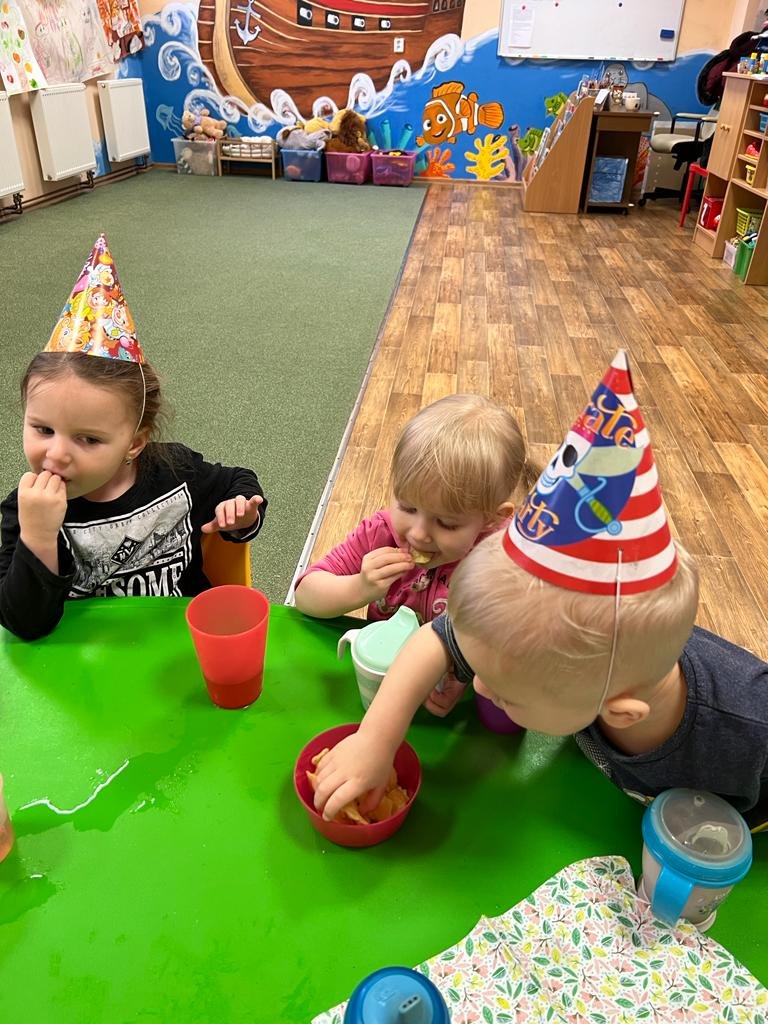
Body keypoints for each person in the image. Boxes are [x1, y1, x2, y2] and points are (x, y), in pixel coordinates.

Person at [312, 352, 768, 830]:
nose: (479, 684)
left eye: (509, 695)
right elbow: (436, 639)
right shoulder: (567, 655)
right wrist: (376, 741)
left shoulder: (749, 730)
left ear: (618, 712)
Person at [0, 235, 266, 641]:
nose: (57, 453)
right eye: (43, 429)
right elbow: (24, 625)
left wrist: (242, 514)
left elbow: (237, 481)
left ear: (134, 443)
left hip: (177, 645)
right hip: (82, 660)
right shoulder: (26, 509)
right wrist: (37, 535)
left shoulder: (175, 473)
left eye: (88, 439)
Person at [294, 393, 536, 625]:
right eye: (408, 508)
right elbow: (305, 594)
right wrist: (359, 587)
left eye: (446, 523)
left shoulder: (503, 559)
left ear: (492, 518)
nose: (418, 534)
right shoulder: (381, 533)